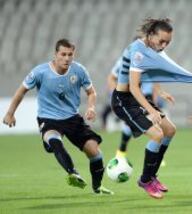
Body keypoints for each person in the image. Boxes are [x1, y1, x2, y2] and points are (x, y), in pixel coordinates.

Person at [2, 39, 113, 195]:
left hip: (72, 118)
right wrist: (10, 113)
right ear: (55, 55)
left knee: (94, 151)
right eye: (63, 54)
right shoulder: (40, 72)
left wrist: (91, 107)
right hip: (49, 119)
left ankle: (97, 187)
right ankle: (72, 172)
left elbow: (91, 92)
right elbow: (21, 90)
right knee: (54, 140)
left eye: (70, 54)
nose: (67, 58)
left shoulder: (79, 70)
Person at [111, 18, 178, 199]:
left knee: (170, 130)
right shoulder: (138, 51)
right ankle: (145, 180)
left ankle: (152, 176)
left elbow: (148, 77)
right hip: (124, 101)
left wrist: (161, 92)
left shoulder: (149, 50)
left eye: (167, 42)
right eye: (161, 41)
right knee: (157, 135)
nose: (164, 45)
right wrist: (153, 110)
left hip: (137, 98)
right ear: (150, 35)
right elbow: (132, 87)